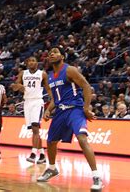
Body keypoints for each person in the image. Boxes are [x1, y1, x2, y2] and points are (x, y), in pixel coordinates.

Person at [37, 47, 103, 191]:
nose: (52, 54)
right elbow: (55, 98)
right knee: (51, 142)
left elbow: (86, 86)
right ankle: (52, 168)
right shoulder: (49, 76)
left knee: (82, 139)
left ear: (62, 56)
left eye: (55, 52)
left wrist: (86, 108)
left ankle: (96, 176)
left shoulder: (70, 70)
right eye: (50, 53)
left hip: (75, 109)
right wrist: (48, 110)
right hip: (60, 111)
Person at [11, 56, 48, 164]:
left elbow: (48, 89)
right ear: (27, 63)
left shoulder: (42, 74)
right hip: (27, 102)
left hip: (37, 101)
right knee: (33, 130)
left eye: (33, 61)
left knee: (35, 128)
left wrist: (53, 103)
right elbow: (15, 86)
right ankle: (42, 155)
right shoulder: (23, 73)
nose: (31, 63)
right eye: (29, 61)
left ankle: (33, 153)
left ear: (37, 63)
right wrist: (18, 86)